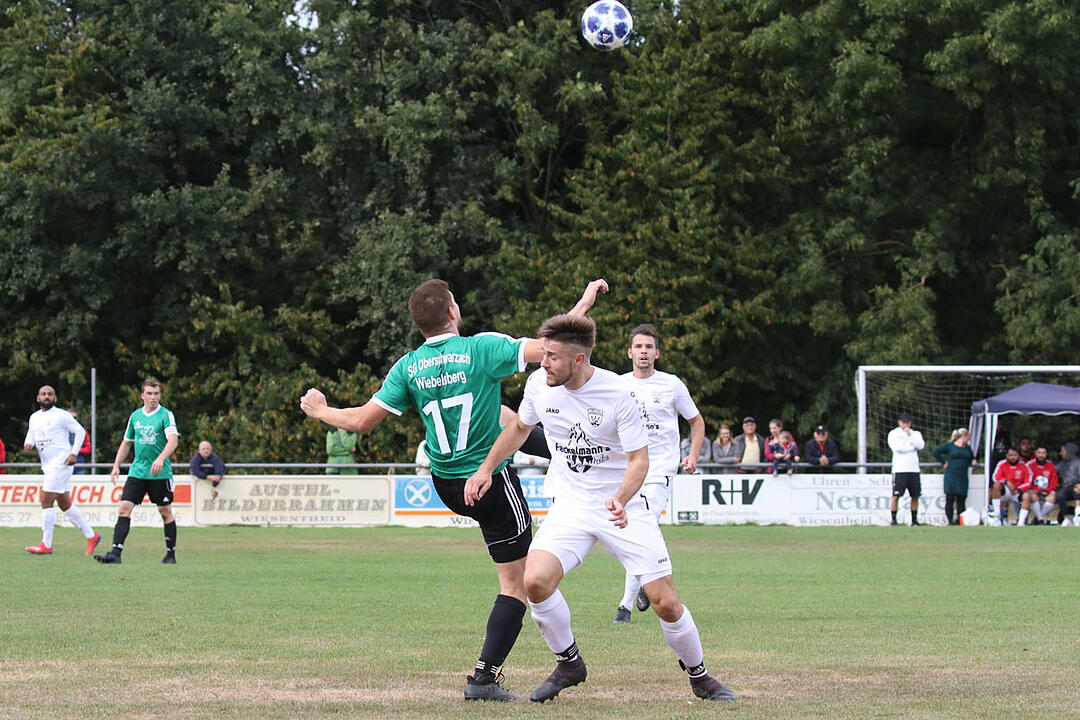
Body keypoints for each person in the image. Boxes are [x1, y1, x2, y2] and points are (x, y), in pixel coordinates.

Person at [299, 278, 607, 702]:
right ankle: (484, 678)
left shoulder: (407, 367)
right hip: (488, 481)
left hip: (446, 482)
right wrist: (585, 302)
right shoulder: (482, 348)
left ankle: (564, 453)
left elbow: (360, 422)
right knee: (516, 584)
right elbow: (555, 347)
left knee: (503, 414)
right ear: (452, 313)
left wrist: (320, 410)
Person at [464, 314, 735, 703]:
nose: (542, 362)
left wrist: (621, 499)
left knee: (664, 601)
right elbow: (520, 429)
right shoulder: (540, 383)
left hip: (623, 505)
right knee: (535, 580)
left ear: (579, 360)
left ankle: (700, 676)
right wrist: (486, 470)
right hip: (571, 504)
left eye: (552, 356)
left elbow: (639, 460)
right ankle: (569, 663)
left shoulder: (617, 395)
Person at [610, 323, 706, 624]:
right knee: (629, 531)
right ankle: (646, 577)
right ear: (629, 352)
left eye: (648, 347)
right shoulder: (618, 384)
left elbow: (697, 421)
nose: (643, 352)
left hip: (660, 468)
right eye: (638, 347)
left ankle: (625, 605)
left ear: (657, 353)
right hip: (627, 469)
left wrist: (692, 455)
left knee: (640, 526)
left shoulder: (672, 384)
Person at [94, 378, 180, 565]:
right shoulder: (135, 416)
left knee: (165, 512)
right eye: (149, 393)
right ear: (142, 396)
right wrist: (116, 465)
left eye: (156, 393)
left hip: (159, 473)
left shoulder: (166, 415)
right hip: (137, 471)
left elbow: (173, 440)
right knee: (124, 508)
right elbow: (126, 442)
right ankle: (115, 554)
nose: (153, 397)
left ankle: (170, 554)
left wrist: (160, 459)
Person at [22, 385, 101, 555]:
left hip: (61, 463)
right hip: (48, 466)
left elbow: (79, 432)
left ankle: (46, 545)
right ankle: (91, 535)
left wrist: (74, 453)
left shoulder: (61, 415)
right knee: (65, 504)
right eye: (43, 394)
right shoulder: (34, 417)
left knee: (45, 500)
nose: (47, 397)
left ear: (55, 398)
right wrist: (28, 444)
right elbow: (31, 434)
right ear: (38, 398)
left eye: (50, 394)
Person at [932, 428, 977, 525]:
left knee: (961, 499)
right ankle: (950, 521)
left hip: (963, 475)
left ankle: (960, 521)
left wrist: (973, 461)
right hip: (951, 474)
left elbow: (972, 458)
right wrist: (943, 462)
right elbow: (936, 452)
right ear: (963, 436)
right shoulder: (950, 446)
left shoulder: (967, 448)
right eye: (968, 437)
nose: (969, 439)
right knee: (950, 498)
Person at [888, 411, 925, 526]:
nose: (906, 425)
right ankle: (894, 519)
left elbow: (921, 445)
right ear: (899, 422)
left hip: (913, 469)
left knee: (915, 495)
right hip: (900, 469)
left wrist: (910, 437)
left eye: (908, 422)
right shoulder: (894, 434)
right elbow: (897, 448)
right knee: (896, 495)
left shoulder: (915, 434)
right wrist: (911, 447)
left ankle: (914, 520)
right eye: (904, 422)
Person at [990, 447, 1032, 526]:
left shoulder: (1024, 466)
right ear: (1006, 456)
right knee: (996, 485)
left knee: (1027, 496)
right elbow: (995, 477)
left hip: (1017, 492)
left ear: (1018, 456)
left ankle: (1021, 522)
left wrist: (1019, 490)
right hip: (1005, 491)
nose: (1012, 457)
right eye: (1010, 455)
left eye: (1015, 455)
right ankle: (997, 513)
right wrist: (1006, 481)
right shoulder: (1001, 464)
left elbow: (1028, 482)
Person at [1026, 446, 1058, 525]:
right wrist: (1037, 489)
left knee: (1053, 497)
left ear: (1046, 454)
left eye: (1043, 453)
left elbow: (1054, 482)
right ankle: (1040, 519)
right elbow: (1027, 482)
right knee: (1032, 496)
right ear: (1035, 454)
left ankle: (1037, 518)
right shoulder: (1029, 465)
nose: (1041, 455)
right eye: (1039, 453)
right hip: (1033, 490)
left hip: (1046, 491)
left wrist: (1047, 490)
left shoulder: (1051, 466)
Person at [1056, 442, 1080, 525]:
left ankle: (1078, 515)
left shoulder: (1078, 463)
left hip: (1076, 485)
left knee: (1077, 490)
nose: (1060, 453)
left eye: (1062, 451)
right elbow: (1053, 472)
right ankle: (1066, 518)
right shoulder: (1061, 465)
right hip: (1066, 487)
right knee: (1060, 495)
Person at [68, 409, 92, 474]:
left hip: (79, 467)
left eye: (75, 418)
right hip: (63, 467)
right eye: (71, 417)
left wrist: (76, 449)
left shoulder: (83, 432)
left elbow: (88, 449)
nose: (73, 419)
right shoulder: (60, 432)